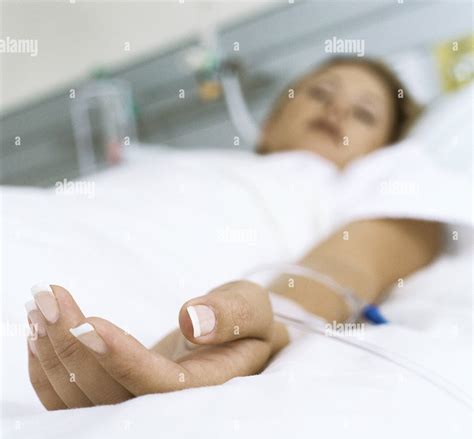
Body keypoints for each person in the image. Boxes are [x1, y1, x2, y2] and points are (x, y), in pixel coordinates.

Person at [24, 57, 441, 409]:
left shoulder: (357, 191)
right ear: (270, 124)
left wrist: (272, 322)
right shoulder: (192, 164)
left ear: (381, 155)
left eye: (364, 113)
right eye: (319, 93)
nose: (336, 112)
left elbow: (351, 263)